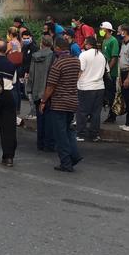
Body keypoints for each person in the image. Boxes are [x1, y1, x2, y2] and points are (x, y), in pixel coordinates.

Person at [39, 37, 82, 172]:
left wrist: (43, 101)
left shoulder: (58, 64)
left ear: (58, 48)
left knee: (60, 134)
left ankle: (66, 162)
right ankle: (74, 155)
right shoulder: (76, 61)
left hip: (59, 103)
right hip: (72, 101)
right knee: (69, 130)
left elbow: (51, 86)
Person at [75, 35, 107, 142]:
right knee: (96, 112)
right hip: (99, 87)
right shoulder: (101, 55)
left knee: (82, 111)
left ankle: (81, 133)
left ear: (87, 43)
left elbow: (80, 71)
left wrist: (74, 82)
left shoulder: (83, 55)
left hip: (85, 86)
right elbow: (106, 70)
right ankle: (94, 134)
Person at [29, 35, 55, 151]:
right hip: (48, 91)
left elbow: (31, 75)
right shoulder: (53, 57)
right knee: (49, 118)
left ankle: (40, 143)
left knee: (40, 118)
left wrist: (29, 89)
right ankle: (48, 144)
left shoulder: (35, 56)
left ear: (42, 43)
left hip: (36, 90)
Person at [99, 22, 120, 124]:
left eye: (102, 29)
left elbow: (114, 57)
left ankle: (112, 115)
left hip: (110, 73)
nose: (101, 31)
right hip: (103, 72)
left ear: (107, 30)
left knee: (111, 94)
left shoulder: (113, 41)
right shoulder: (104, 40)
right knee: (104, 94)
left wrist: (108, 70)